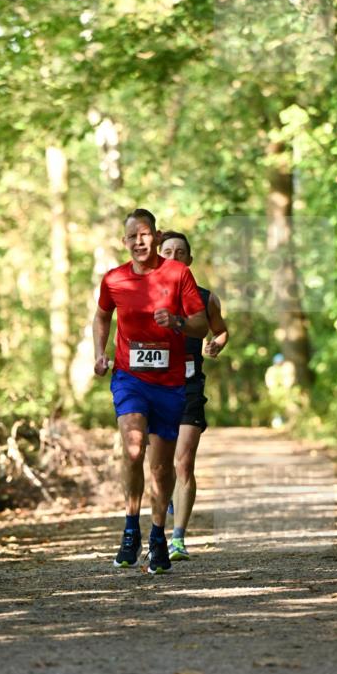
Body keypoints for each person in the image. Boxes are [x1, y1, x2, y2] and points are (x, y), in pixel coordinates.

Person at [93, 209, 208, 574]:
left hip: (171, 382)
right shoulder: (113, 280)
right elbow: (101, 316)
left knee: (160, 467)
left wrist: (176, 322)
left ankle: (157, 534)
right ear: (124, 242)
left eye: (145, 235)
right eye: (132, 237)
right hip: (129, 377)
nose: (139, 242)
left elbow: (201, 325)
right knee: (132, 446)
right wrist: (100, 353)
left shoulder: (178, 274)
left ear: (156, 237)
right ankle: (130, 528)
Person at [159, 231, 229, 561]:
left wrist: (218, 343)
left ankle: (177, 539)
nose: (173, 256)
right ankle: (169, 502)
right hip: (154, 390)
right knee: (161, 468)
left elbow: (221, 329)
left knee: (183, 462)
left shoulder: (205, 298)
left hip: (189, 387)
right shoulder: (144, 297)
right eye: (167, 251)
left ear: (189, 260)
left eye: (180, 252)